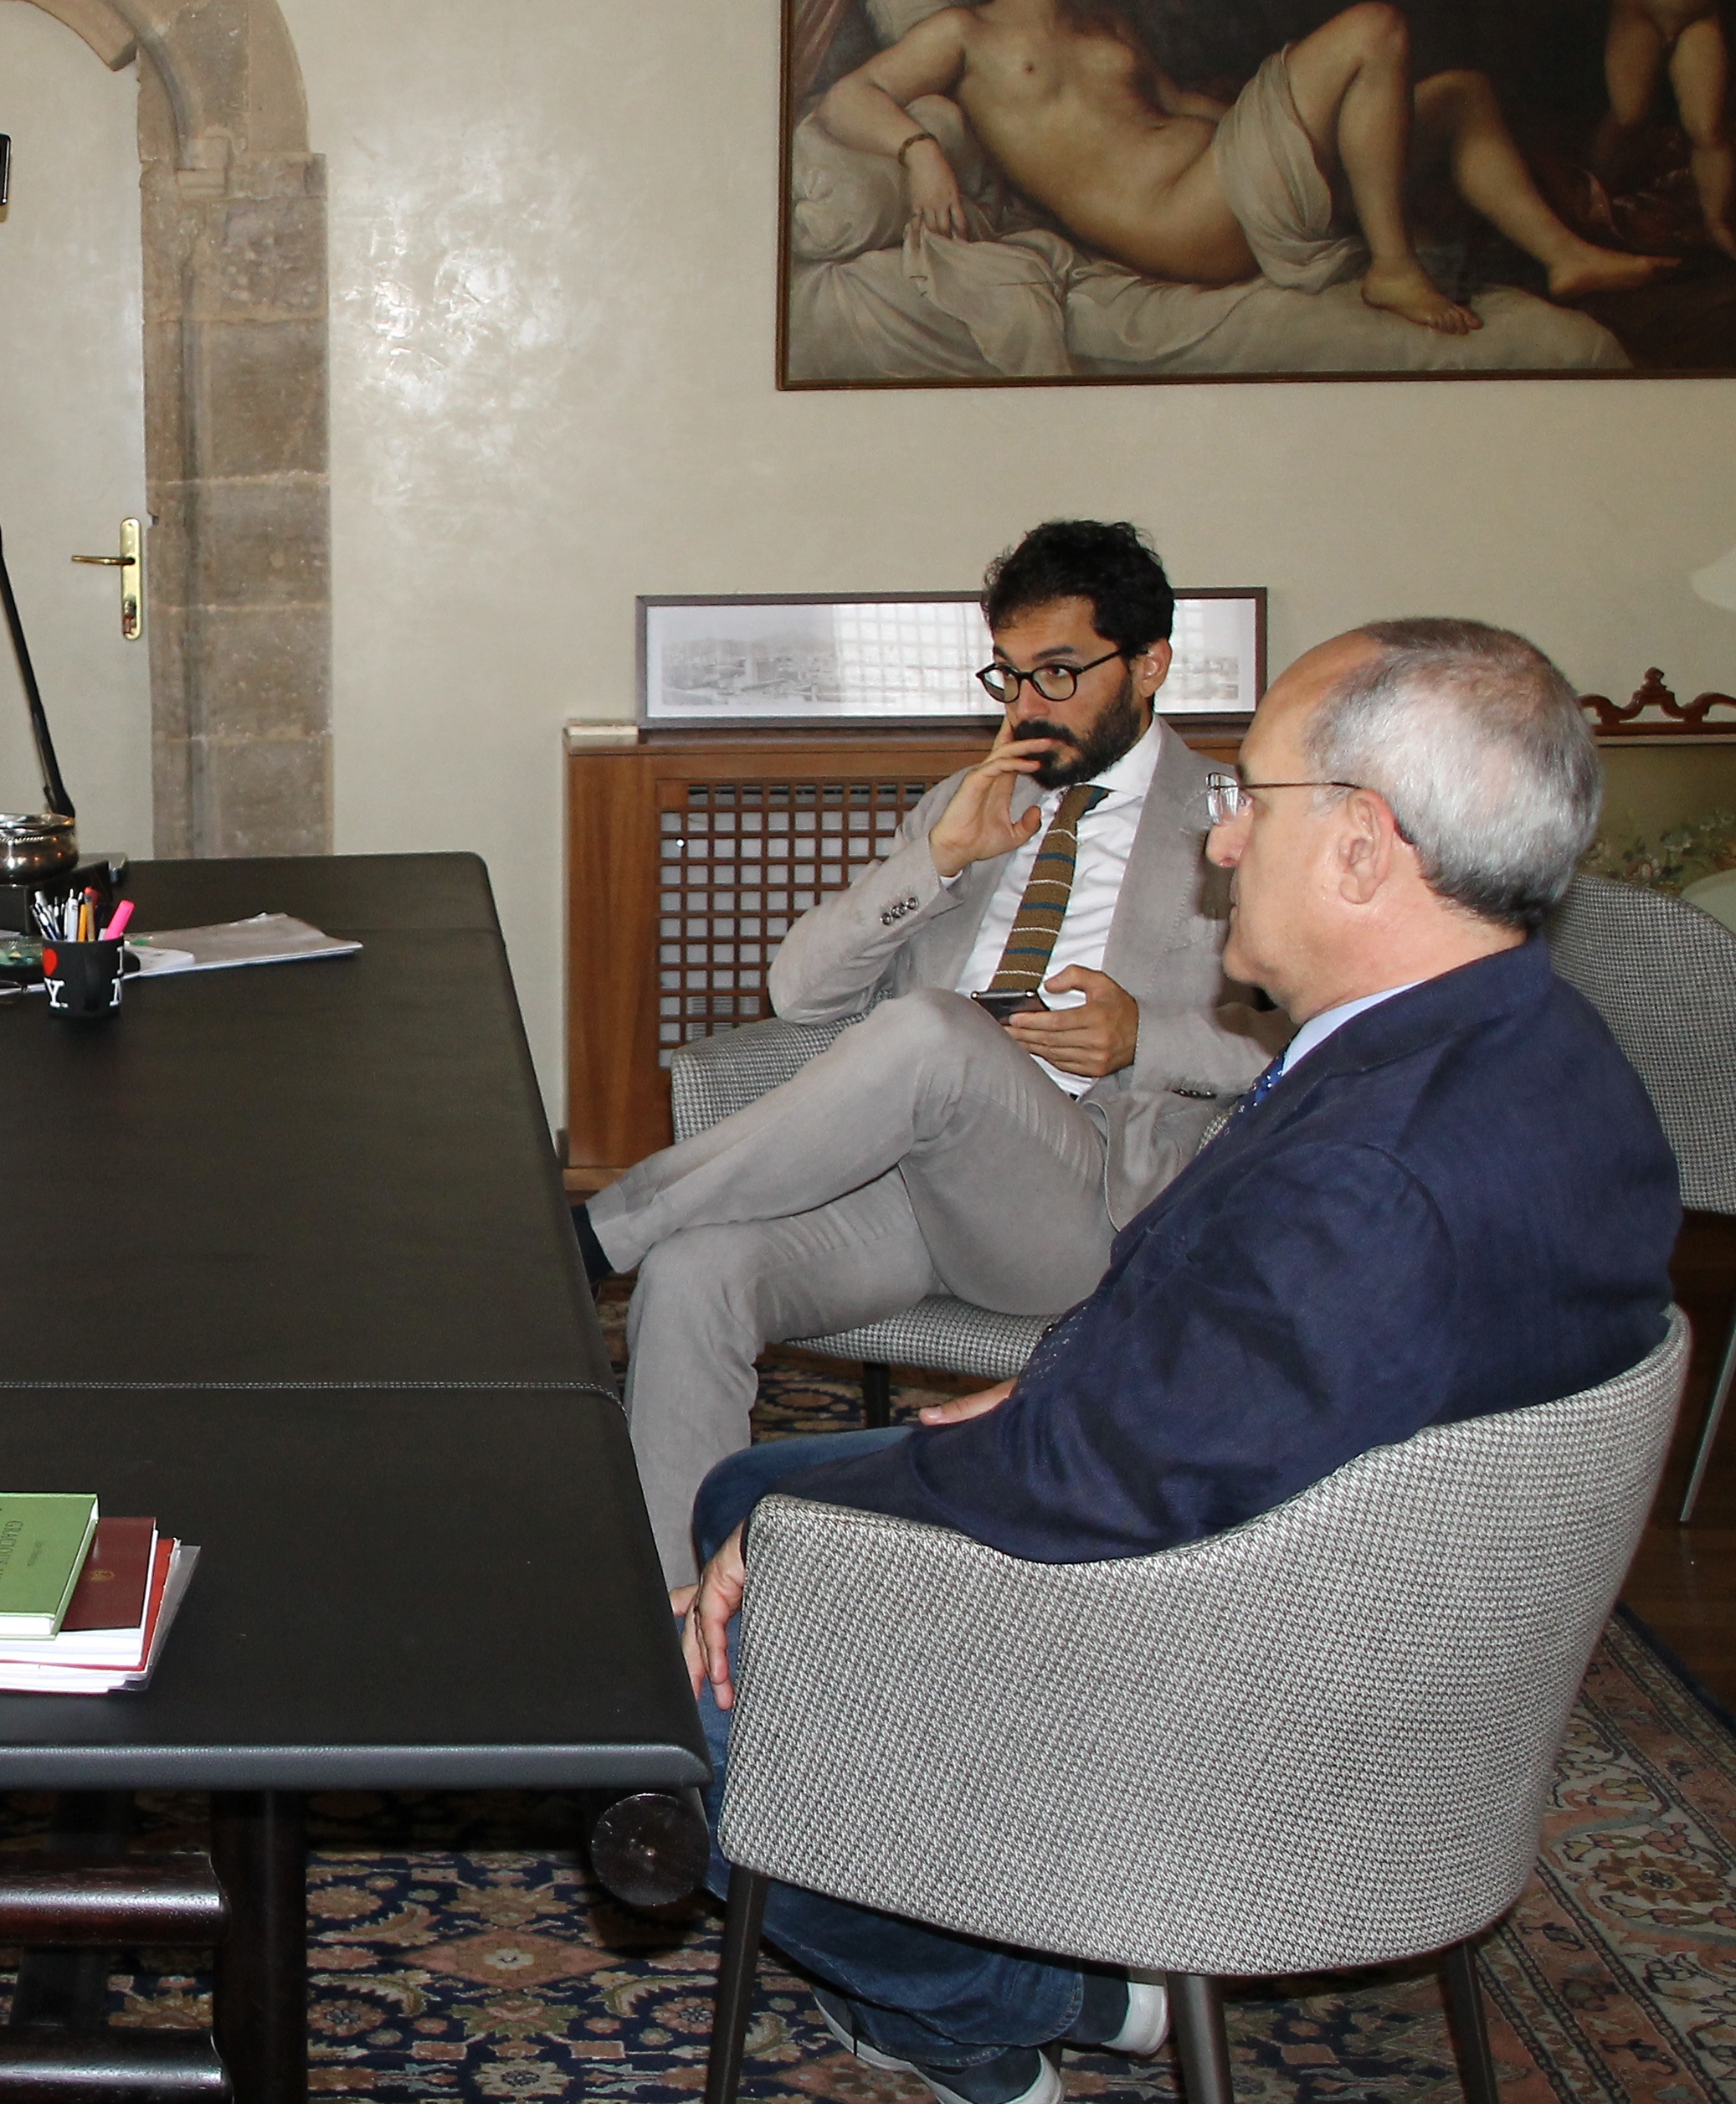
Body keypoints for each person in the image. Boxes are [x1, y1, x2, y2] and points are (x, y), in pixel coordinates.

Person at [675, 619, 1679, 2104]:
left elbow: (1111, 1485)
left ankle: (1007, 1999)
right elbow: (1252, 1373)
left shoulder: (1373, 1177)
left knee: (668, 1680)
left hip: (1217, 1667)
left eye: (1247, 799)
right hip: (1364, 1599)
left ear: (1360, 847)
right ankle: (967, 1916)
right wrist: (1044, 1389)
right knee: (740, 1493)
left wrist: (817, 1527)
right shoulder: (1543, 1052)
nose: (1219, 845)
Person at [580, 520, 1284, 1587]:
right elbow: (798, 991)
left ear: (1149, 666)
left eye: (1059, 673)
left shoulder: (1235, 820)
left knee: (933, 1031)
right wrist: (942, 859)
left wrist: (1147, 1034)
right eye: (1010, 673)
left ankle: (598, 1234)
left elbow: (1310, 1034)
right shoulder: (967, 805)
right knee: (691, 1276)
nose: (1027, 705)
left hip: (1085, 1205)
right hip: (913, 1190)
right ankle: (675, 1615)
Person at [821, 0, 1671, 335]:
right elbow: (845, 95)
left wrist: (1299, 110)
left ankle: (1565, 257)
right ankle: (1391, 267)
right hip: (1181, 220)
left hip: (1228, 176)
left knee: (1460, 95)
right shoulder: (963, 34)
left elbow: (1182, 106)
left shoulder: (1103, 24)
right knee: (1375, 27)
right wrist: (920, 149)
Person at [1595, 0, 1736, 257]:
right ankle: (1590, 200)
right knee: (1629, 117)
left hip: (1699, 17)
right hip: (1641, 11)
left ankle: (1717, 223)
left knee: (1709, 128)